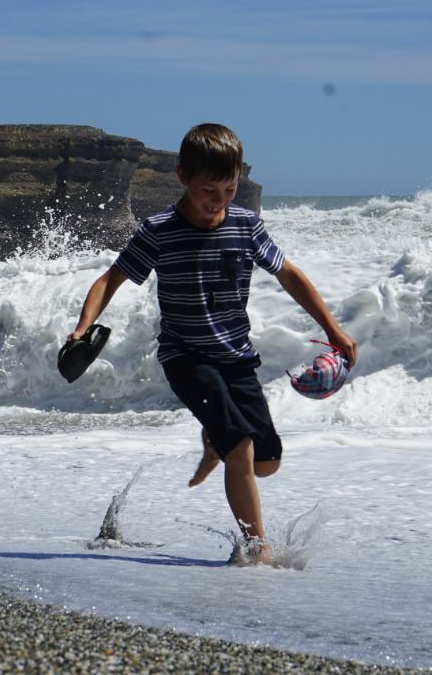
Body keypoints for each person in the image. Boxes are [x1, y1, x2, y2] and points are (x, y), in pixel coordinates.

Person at [67, 123, 357, 565]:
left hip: (236, 358)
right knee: (239, 448)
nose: (219, 199)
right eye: (209, 189)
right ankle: (255, 550)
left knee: (266, 462)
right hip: (186, 357)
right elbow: (110, 280)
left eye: (229, 187)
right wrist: (83, 328)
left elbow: (288, 275)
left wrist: (333, 329)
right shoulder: (159, 230)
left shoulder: (245, 224)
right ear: (182, 177)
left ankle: (212, 440)